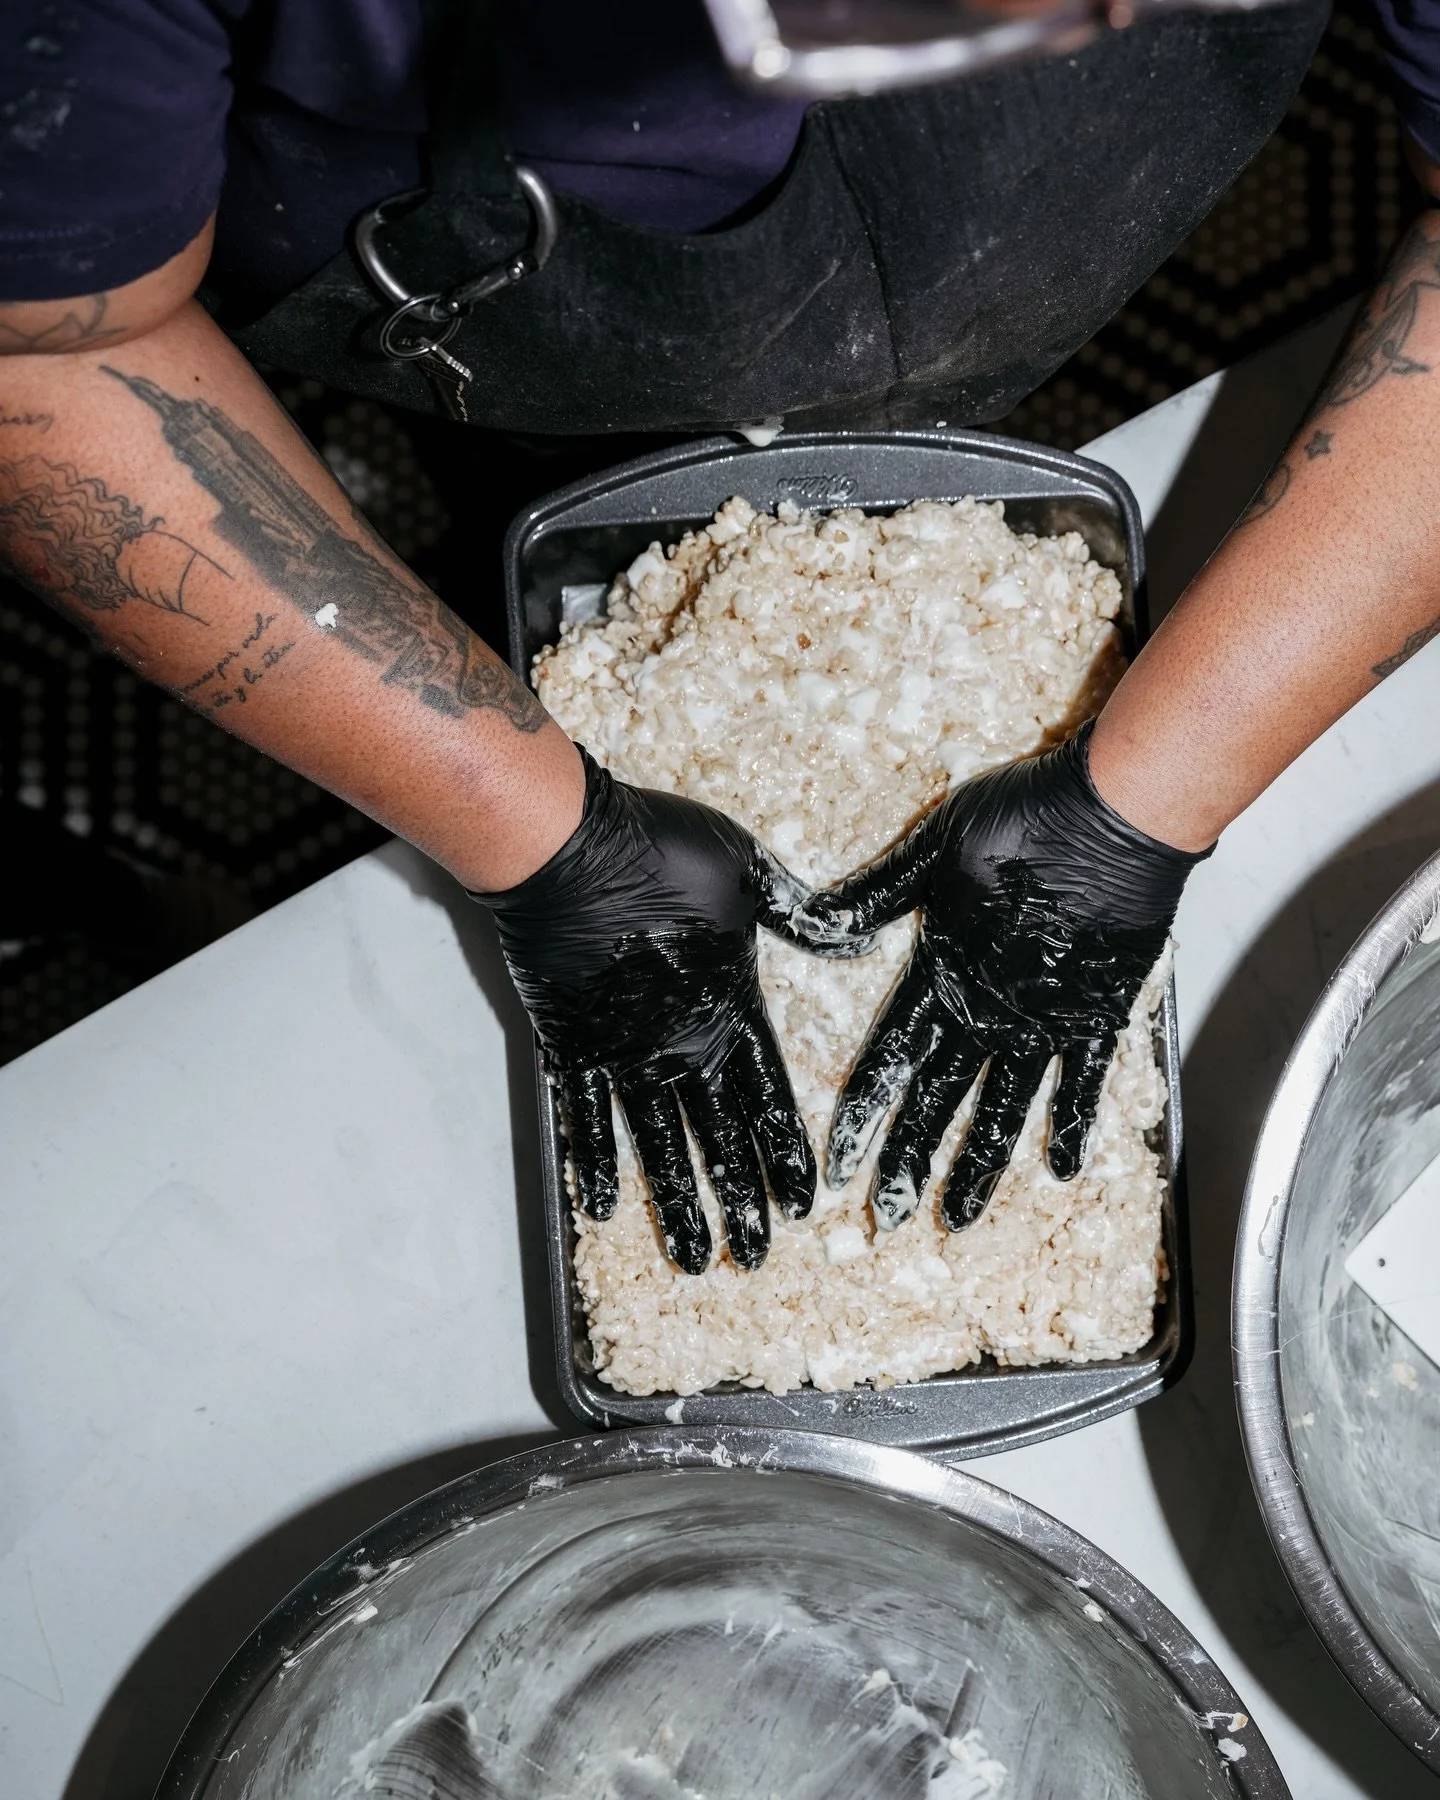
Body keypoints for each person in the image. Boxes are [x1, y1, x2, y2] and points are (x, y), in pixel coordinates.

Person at [0, 0, 1431, 1270]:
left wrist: (1151, 799)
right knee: (542, 493)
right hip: (487, 285)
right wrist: (530, 827)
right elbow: (46, 352)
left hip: (1032, 229)